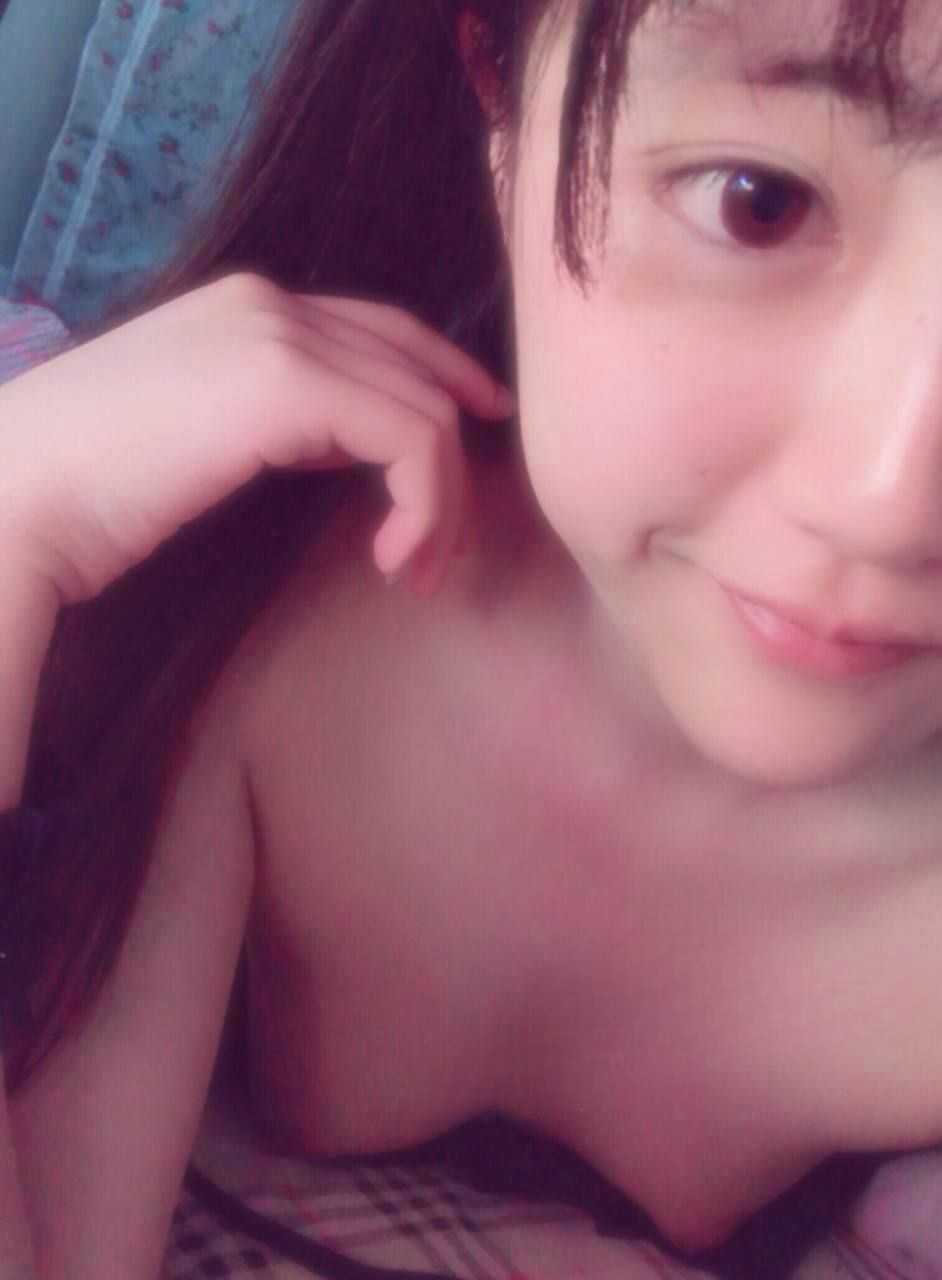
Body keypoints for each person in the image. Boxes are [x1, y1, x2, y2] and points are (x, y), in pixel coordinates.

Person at [3, 0, 942, 1273]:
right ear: (499, 86)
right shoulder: (269, 631)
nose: (887, 500)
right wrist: (15, 516)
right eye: (756, 202)